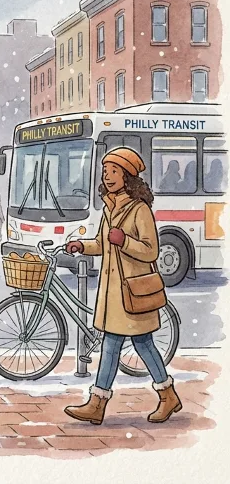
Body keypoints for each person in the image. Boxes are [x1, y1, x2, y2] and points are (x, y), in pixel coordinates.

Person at [64, 147, 181, 425]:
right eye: (105, 171)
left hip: (134, 291)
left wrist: (124, 241)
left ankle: (160, 396)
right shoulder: (109, 209)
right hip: (116, 293)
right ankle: (106, 402)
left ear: (127, 176)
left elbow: (152, 250)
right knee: (119, 344)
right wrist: (82, 246)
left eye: (114, 171)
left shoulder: (139, 209)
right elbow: (103, 244)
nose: (107, 176)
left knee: (138, 344)